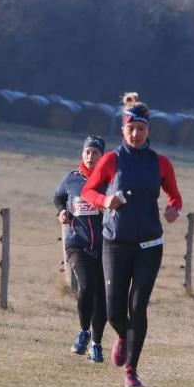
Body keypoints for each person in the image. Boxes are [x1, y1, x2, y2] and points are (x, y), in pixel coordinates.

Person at [81, 92, 182, 387]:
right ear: (122, 129)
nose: (136, 134)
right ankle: (122, 335)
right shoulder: (111, 160)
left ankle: (131, 370)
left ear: (148, 130)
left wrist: (174, 208)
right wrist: (105, 199)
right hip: (115, 242)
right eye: (130, 129)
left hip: (149, 245)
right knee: (114, 310)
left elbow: (175, 196)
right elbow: (88, 191)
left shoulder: (160, 163)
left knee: (138, 306)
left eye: (141, 129)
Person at [53, 135, 108, 363]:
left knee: (102, 296)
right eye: (87, 152)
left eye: (95, 152)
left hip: (106, 246)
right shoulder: (71, 179)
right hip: (77, 243)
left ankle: (96, 344)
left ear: (102, 156)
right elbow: (58, 197)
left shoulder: (110, 180)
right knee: (87, 286)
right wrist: (61, 212)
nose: (90, 156)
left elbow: (122, 203)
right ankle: (84, 332)